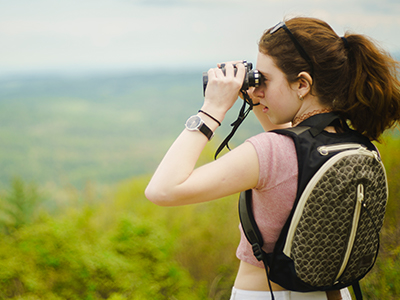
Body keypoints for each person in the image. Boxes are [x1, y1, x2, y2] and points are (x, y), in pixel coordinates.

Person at [145, 16, 400, 300]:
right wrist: (260, 100)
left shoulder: (270, 152)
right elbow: (295, 157)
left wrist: (212, 110)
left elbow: (162, 190)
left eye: (265, 79)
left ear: (302, 84)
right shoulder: (361, 146)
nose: (258, 87)